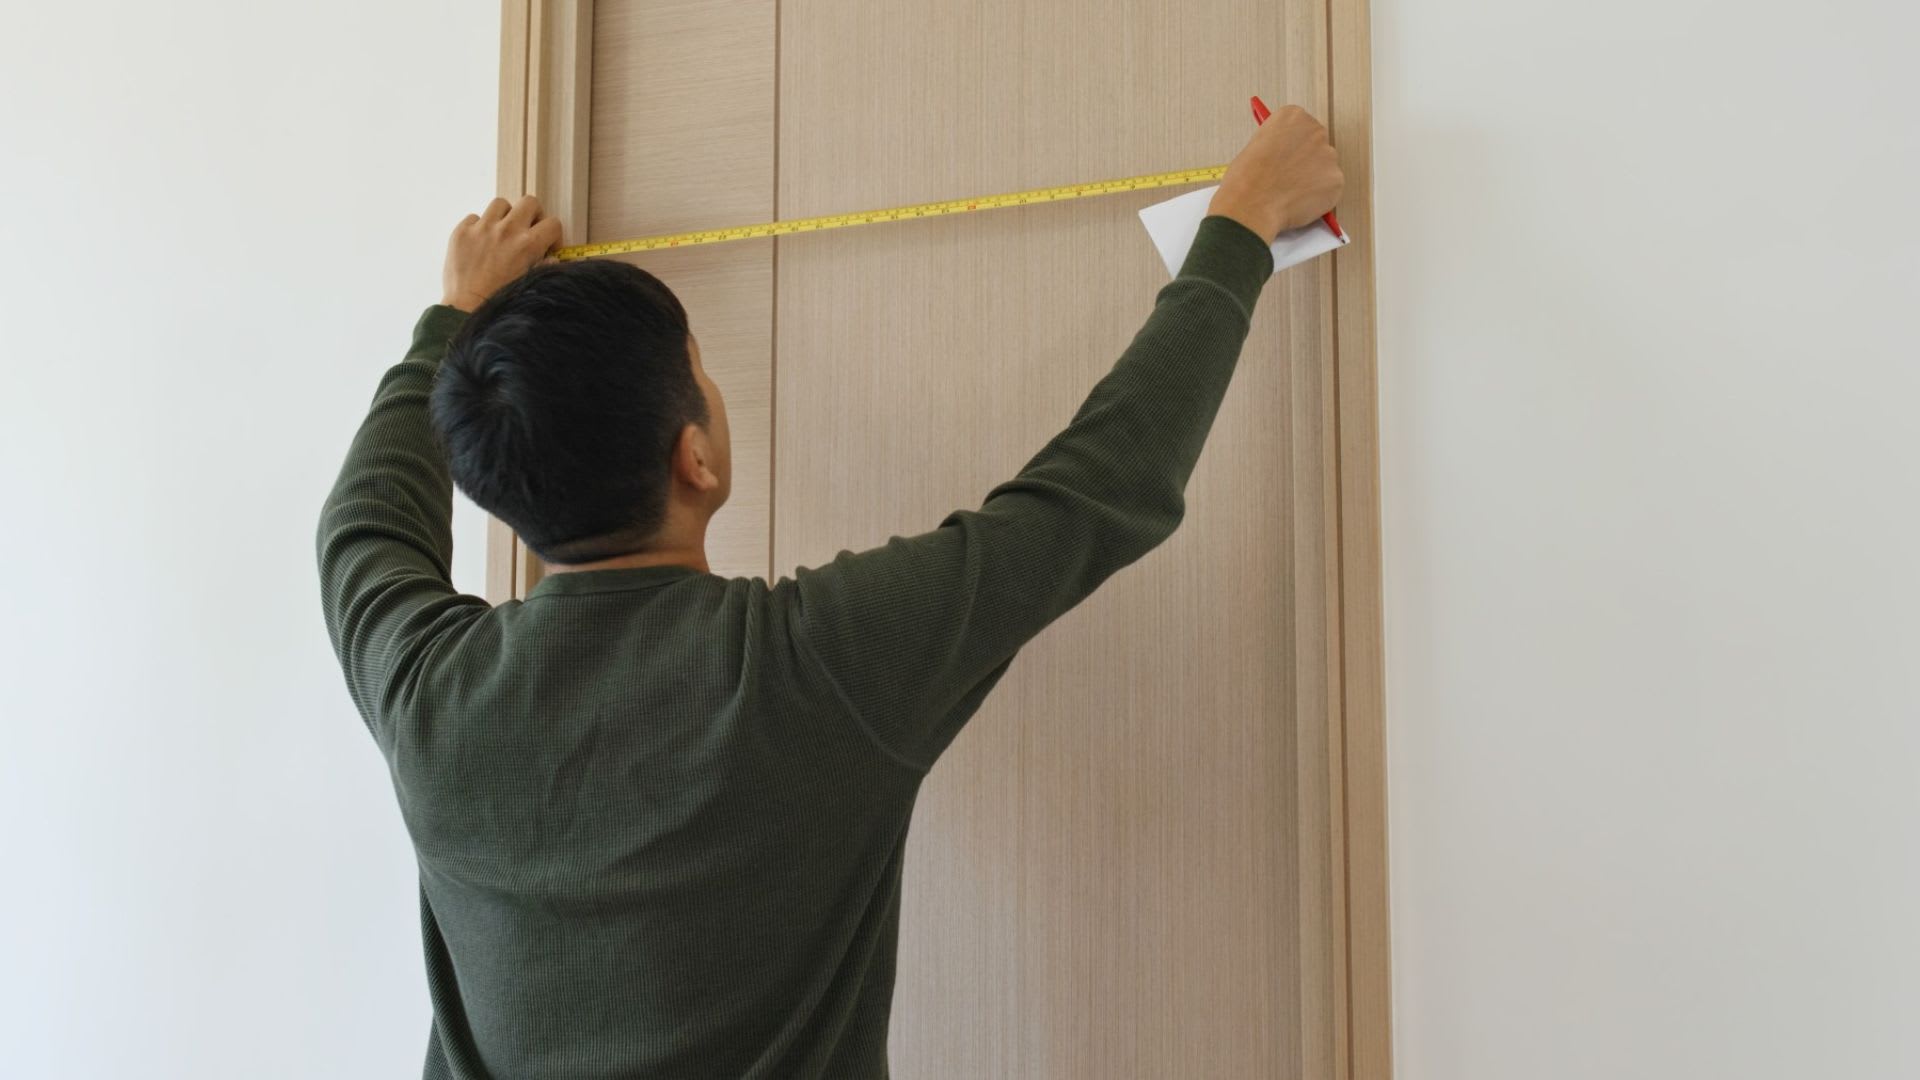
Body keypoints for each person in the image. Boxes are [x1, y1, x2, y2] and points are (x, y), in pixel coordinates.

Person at [317, 105, 1342, 1079]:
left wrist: (453, 323)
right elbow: (1097, 493)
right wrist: (1241, 224)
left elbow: (365, 523)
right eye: (701, 373)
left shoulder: (424, 692)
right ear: (696, 458)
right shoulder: (814, 669)